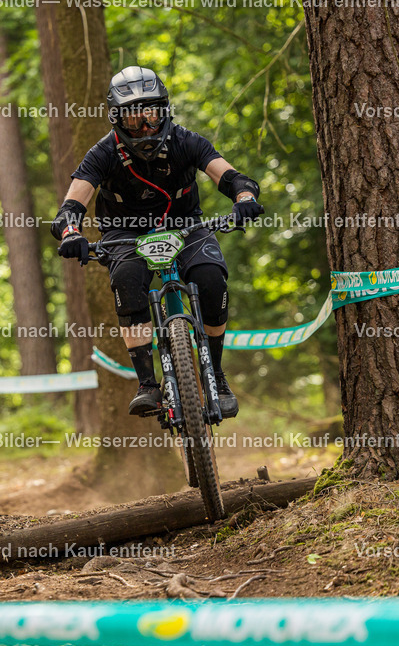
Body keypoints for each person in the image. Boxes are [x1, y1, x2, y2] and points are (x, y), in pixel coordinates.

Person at [51, 66, 264, 417]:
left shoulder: (186, 141)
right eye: (134, 120)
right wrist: (71, 233)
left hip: (185, 225)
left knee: (210, 278)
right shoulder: (102, 153)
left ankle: (217, 375)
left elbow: (229, 176)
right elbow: (71, 207)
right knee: (127, 280)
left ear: (164, 110)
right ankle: (148, 384)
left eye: (150, 114)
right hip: (125, 233)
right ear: (117, 119)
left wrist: (243, 199)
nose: (145, 127)